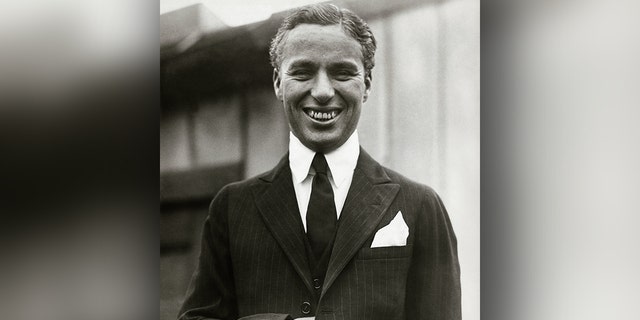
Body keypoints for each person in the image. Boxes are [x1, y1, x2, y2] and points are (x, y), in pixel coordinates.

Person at [178, 3, 460, 320]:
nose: (323, 91)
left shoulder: (419, 206)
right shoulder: (231, 209)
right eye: (302, 72)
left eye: (342, 73)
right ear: (277, 83)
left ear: (366, 84)